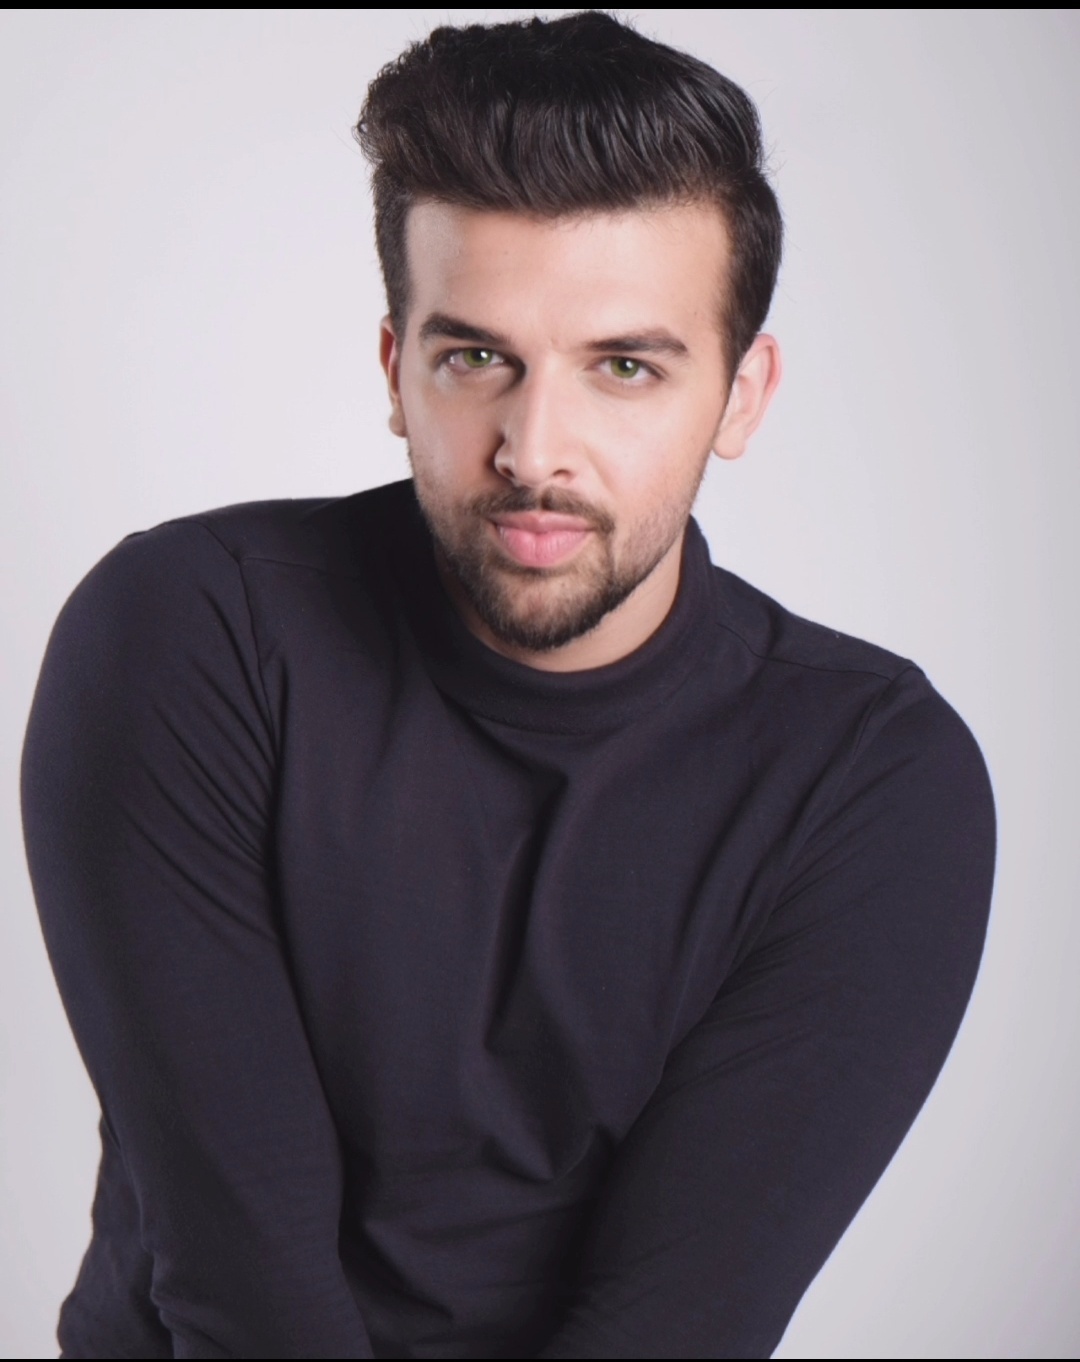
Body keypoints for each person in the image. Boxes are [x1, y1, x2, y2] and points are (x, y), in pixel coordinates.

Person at [21, 12, 996, 1359]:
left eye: (625, 367)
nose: (536, 451)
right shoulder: (190, 633)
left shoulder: (873, 784)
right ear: (397, 371)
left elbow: (675, 1330)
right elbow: (246, 1298)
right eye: (477, 358)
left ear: (742, 394)